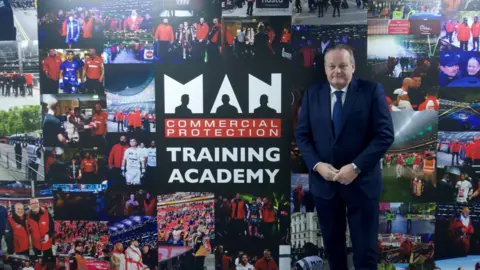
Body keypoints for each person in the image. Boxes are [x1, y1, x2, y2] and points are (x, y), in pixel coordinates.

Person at [295, 44, 394, 269]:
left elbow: (385, 134)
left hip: (363, 185)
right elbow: (302, 135)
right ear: (325, 68)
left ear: (353, 66)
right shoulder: (312, 94)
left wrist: (356, 167)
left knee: (365, 255)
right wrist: (318, 165)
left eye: (342, 65)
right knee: (334, 253)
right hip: (325, 187)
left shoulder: (372, 91)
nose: (337, 71)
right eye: (332, 66)